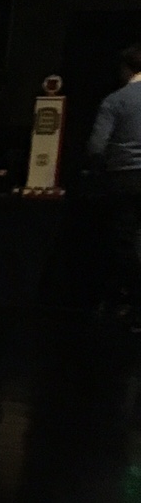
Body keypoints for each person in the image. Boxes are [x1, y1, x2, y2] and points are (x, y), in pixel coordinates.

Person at [83, 43, 141, 323]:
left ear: (126, 69)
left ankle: (130, 300)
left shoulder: (116, 100)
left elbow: (97, 147)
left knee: (123, 241)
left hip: (125, 178)